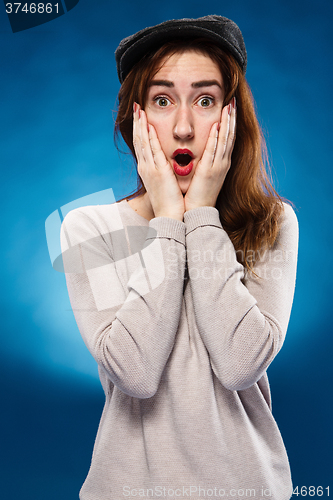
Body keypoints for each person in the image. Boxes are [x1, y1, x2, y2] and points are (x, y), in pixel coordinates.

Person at [61, 15, 298, 500]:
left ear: (231, 117)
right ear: (136, 116)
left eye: (205, 100)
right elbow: (135, 373)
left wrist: (202, 217)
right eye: (162, 100)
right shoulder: (87, 228)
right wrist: (170, 220)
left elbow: (240, 364)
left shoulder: (274, 223)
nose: (185, 127)